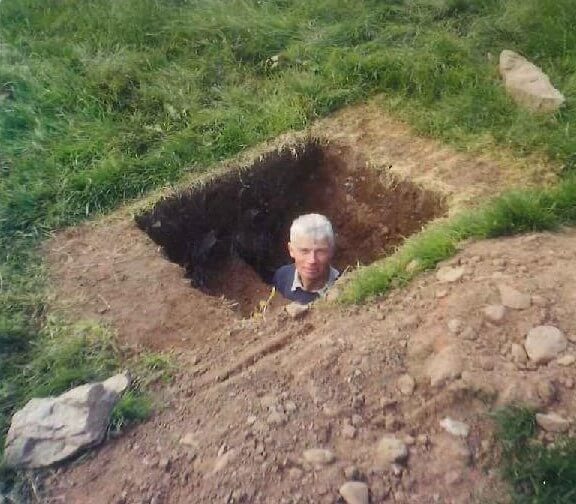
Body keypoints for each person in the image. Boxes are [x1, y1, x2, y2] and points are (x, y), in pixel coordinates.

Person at [272, 213, 339, 304]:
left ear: (331, 251)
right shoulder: (282, 277)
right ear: (291, 250)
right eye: (304, 251)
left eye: (320, 251)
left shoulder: (344, 286)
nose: (312, 260)